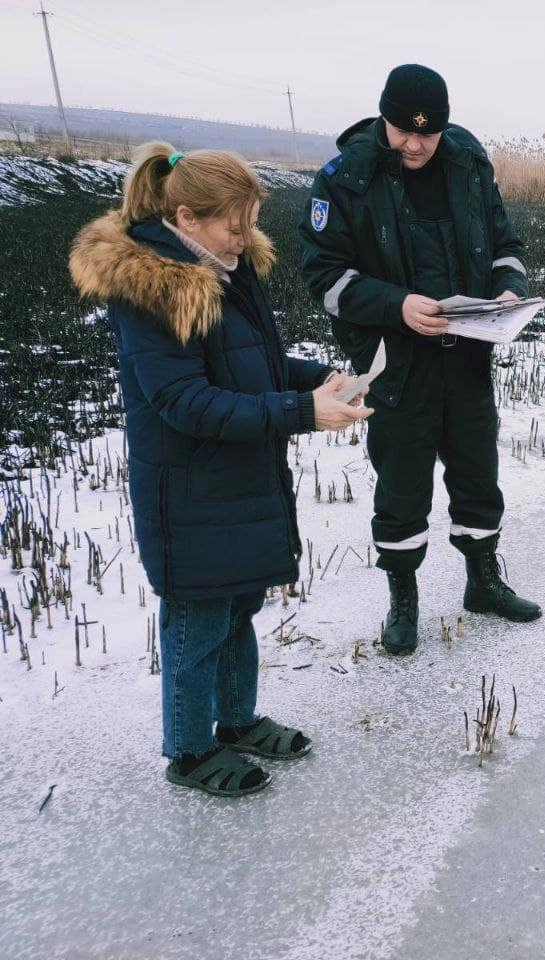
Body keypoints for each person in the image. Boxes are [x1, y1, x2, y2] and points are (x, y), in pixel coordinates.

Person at [69, 142, 372, 796]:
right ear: (186, 217)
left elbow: (251, 367)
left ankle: (236, 722)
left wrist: (323, 380)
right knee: (197, 621)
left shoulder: (228, 273)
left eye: (251, 220)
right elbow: (184, 402)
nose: (245, 236)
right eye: (233, 224)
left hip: (238, 479)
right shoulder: (156, 289)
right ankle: (188, 751)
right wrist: (300, 411)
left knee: (238, 607)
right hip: (188, 488)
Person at [298, 63, 541, 657]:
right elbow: (323, 278)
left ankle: (482, 581)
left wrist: (508, 288)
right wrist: (396, 305)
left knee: (478, 472)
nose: (415, 144)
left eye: (428, 134)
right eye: (404, 131)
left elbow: (505, 245)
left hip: (467, 358)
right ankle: (402, 597)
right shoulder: (344, 178)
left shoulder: (467, 163)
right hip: (396, 361)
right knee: (402, 484)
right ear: (384, 117)